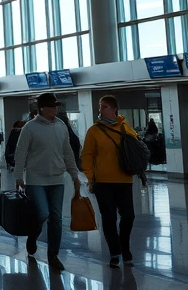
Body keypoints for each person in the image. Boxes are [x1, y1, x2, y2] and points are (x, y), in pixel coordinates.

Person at [13, 92, 82, 271]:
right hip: (36, 179)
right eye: (52, 106)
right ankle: (33, 235)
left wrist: (75, 175)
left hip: (57, 179)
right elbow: (21, 152)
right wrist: (18, 176)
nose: (55, 109)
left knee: (56, 218)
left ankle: (53, 255)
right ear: (42, 108)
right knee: (43, 213)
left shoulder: (61, 126)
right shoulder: (30, 127)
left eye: (56, 106)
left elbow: (67, 152)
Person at [81, 95, 140, 268]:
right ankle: (115, 252)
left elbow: (135, 151)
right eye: (100, 106)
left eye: (105, 106)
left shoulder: (126, 129)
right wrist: (90, 178)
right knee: (109, 217)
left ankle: (125, 246)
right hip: (103, 182)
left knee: (128, 216)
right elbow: (87, 155)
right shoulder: (94, 131)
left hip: (124, 180)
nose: (101, 109)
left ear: (114, 109)